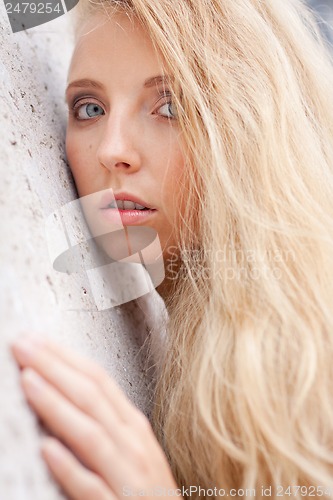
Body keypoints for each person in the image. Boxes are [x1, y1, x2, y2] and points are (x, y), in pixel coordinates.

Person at [11, 0, 333, 498]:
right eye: (90, 109)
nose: (112, 150)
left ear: (247, 131)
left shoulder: (312, 363)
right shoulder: (203, 337)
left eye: (170, 108)